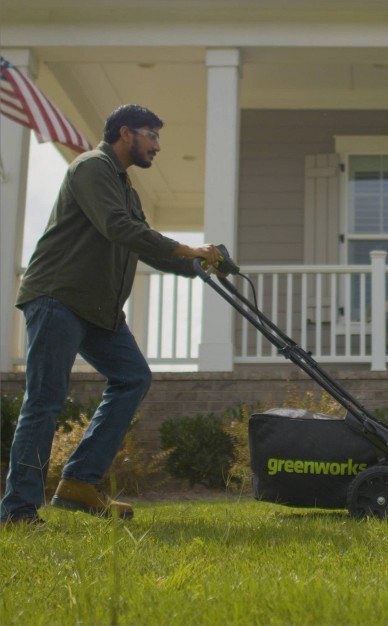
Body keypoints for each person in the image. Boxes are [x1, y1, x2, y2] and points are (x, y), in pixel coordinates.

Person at [0, 104, 222, 528]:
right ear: (126, 133)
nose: (157, 146)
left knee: (134, 377)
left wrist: (199, 266)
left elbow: (139, 245)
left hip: (98, 309)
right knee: (45, 401)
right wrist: (185, 248)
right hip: (58, 297)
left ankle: (78, 485)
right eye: (151, 136)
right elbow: (117, 227)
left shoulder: (126, 189)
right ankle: (18, 510)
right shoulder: (92, 168)